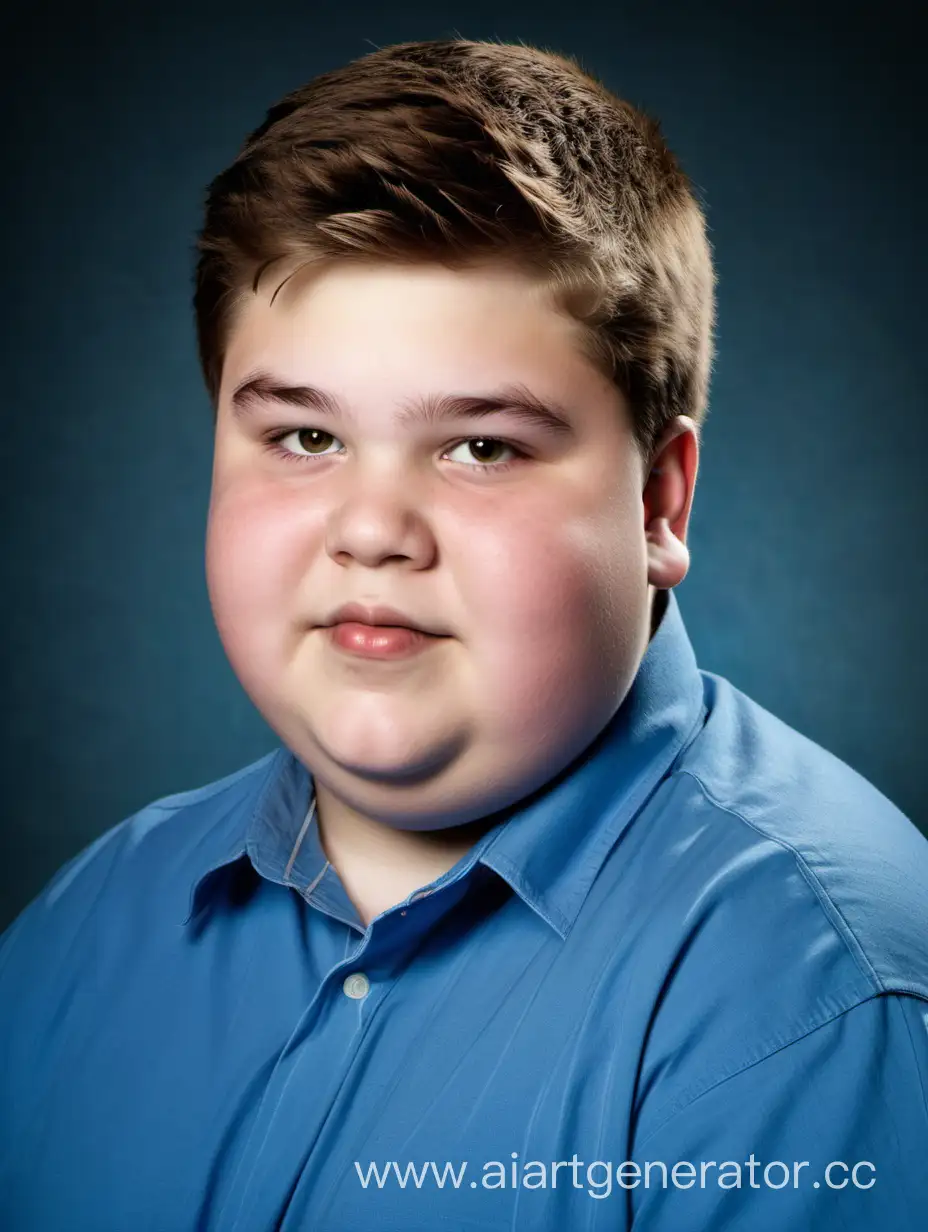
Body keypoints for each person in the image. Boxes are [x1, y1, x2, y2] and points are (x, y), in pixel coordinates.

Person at [1, 36, 926, 1232]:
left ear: (658, 503)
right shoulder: (93, 920)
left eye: (480, 445)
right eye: (304, 438)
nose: (373, 530)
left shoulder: (816, 1009)